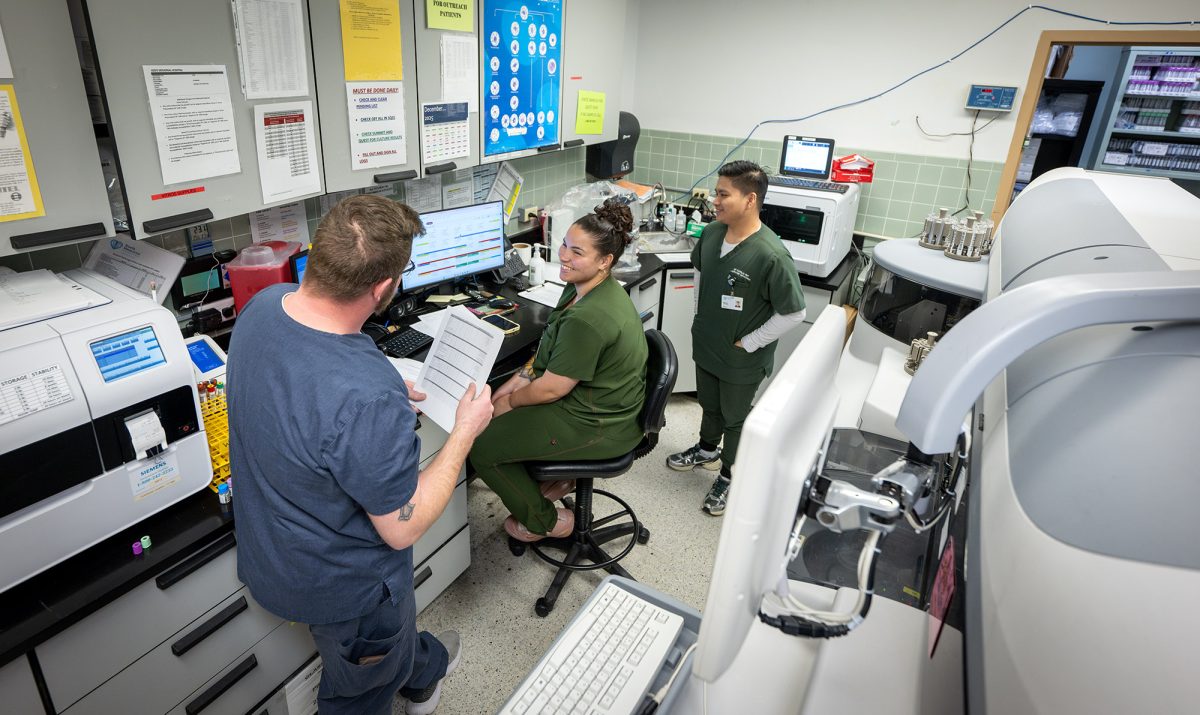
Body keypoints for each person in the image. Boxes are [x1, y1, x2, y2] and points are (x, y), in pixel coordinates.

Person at [227, 195, 494, 715]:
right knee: (360, 686)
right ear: (382, 288)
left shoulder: (263, 307)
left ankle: (422, 670)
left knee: (390, 645)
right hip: (344, 585)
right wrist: (464, 431)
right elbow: (401, 526)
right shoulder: (365, 395)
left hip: (271, 549)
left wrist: (377, 378)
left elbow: (305, 376)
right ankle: (403, 680)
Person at [470, 199, 648, 542]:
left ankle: (546, 521)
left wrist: (510, 403)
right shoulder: (582, 287)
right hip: (595, 401)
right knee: (498, 405)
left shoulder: (589, 318)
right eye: (565, 244)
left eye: (576, 252)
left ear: (605, 261)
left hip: (598, 424)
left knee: (482, 445)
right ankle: (554, 481)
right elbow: (546, 354)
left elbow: (552, 389)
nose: (564, 256)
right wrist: (513, 384)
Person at [666, 160, 806, 516]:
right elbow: (700, 272)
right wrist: (701, 314)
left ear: (750, 199)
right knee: (709, 404)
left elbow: (794, 312)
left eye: (723, 194)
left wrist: (752, 342)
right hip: (709, 342)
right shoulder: (713, 233)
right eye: (716, 192)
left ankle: (730, 475)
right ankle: (707, 450)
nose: (715, 200)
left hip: (742, 356)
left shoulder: (771, 254)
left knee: (736, 417)